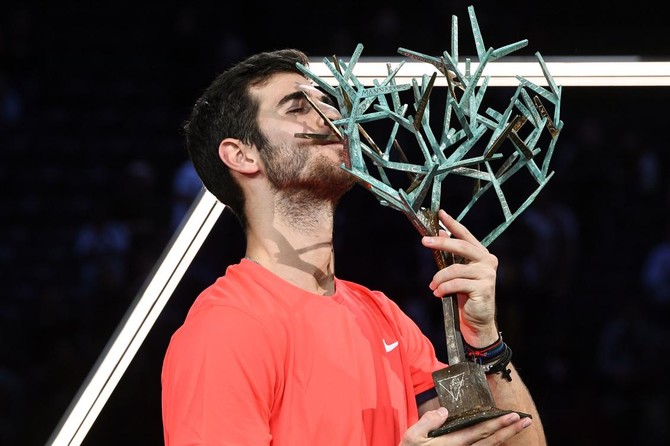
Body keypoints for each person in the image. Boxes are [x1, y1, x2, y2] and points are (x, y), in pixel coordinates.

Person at [161, 48, 546, 446]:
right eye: (297, 108)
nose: (331, 117)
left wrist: (484, 340)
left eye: (327, 102)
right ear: (241, 155)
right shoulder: (225, 331)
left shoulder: (383, 317)